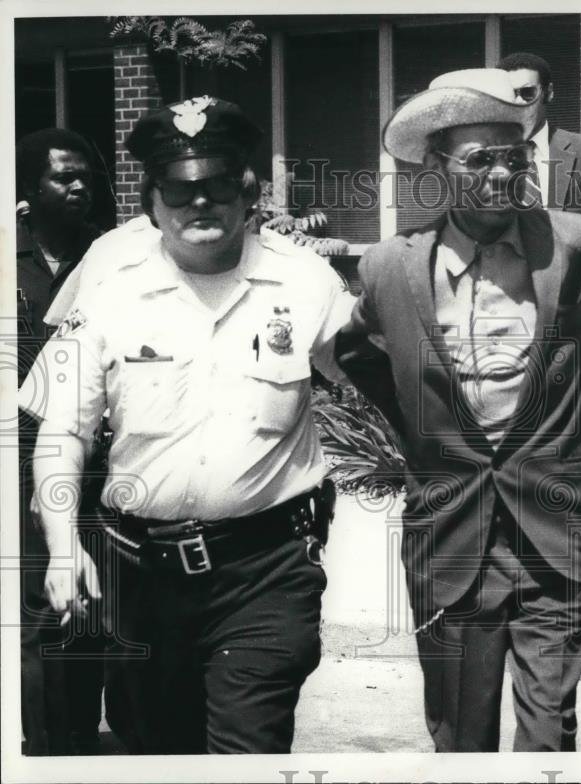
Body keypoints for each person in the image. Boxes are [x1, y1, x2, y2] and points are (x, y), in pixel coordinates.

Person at [19, 96, 354, 754]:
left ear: (247, 190)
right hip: (143, 576)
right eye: (180, 187)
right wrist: (62, 546)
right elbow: (62, 432)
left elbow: (379, 371)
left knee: (247, 745)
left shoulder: (307, 282)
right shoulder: (109, 289)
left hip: (268, 569)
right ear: (153, 200)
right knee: (158, 749)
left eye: (217, 184)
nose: (200, 203)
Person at [335, 68, 581, 752]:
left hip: (556, 533)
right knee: (460, 735)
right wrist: (428, 439)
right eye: (481, 159)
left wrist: (572, 439)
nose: (504, 174)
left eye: (516, 158)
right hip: (451, 535)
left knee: (548, 735)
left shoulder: (577, 246)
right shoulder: (392, 267)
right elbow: (360, 359)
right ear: (436, 166)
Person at [15, 128, 105, 755]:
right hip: (15, 466)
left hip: (92, 466)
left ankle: (79, 741)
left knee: (90, 613)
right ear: (27, 191)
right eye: (62, 177)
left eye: (85, 177)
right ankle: (40, 751)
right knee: (31, 619)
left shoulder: (108, 263)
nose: (78, 187)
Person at [498, 52, 581, 260]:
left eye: (528, 92)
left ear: (548, 93)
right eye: (511, 94)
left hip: (571, 286)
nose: (519, 102)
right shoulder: (488, 159)